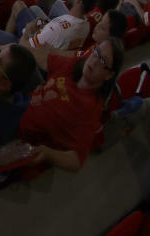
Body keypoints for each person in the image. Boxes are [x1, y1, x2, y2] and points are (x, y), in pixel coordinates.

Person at [19, 36, 122, 172]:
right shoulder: (76, 66)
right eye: (96, 52)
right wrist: (14, 47)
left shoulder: (90, 109)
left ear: (109, 75)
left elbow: (77, 161)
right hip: (21, 105)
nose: (95, 60)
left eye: (103, 60)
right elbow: (43, 58)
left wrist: (48, 153)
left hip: (21, 138)